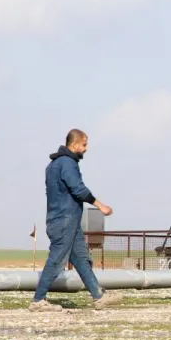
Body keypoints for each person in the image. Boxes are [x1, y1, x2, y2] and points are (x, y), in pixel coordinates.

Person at [31, 129, 118, 312]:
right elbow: (79, 190)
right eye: (84, 144)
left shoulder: (52, 165)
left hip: (64, 219)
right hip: (65, 219)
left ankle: (99, 296)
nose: (86, 149)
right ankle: (38, 300)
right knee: (57, 259)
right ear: (75, 144)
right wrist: (101, 206)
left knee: (81, 258)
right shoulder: (68, 164)